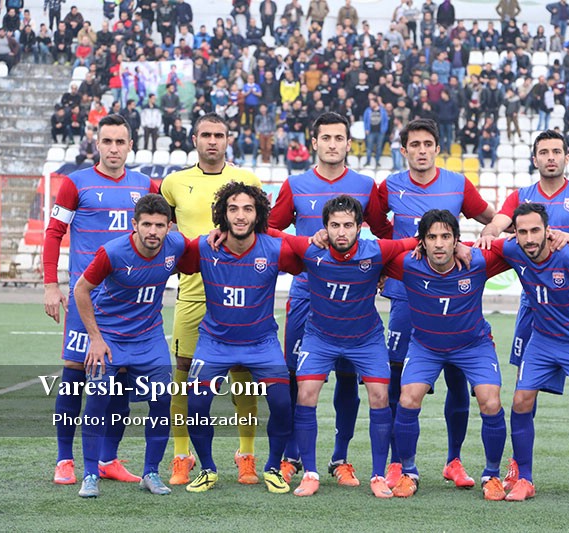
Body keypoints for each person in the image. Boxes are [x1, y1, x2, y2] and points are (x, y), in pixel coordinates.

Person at [475, 128, 569, 494]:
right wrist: (490, 233)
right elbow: (499, 223)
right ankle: (520, 466)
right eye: (544, 152)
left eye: (556, 151)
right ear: (534, 158)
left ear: (567, 157)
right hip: (533, 307)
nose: (550, 157)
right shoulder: (521, 196)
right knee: (525, 390)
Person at [267, 112, 393, 487]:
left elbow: (384, 232)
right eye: (326, 138)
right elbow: (269, 228)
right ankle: (291, 456)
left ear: (348, 144)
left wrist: (383, 270)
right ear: (315, 143)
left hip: (352, 297)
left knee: (348, 376)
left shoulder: (366, 186)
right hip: (307, 293)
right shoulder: (295, 184)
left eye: (339, 138)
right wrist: (305, 242)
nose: (333, 144)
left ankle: (341, 457)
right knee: (295, 376)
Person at [375, 118, 495, 489]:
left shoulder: (458, 184)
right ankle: (399, 463)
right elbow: (376, 227)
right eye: (415, 145)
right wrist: (391, 262)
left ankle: (453, 461)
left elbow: (493, 221)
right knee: (399, 383)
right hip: (406, 295)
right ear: (404, 150)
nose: (422, 150)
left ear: (437, 148)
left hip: (450, 294)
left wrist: (469, 244)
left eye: (428, 144)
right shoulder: (389, 186)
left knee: (457, 379)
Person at [282, 195, 422, 498]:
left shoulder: (376, 251)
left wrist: (456, 244)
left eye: (348, 225)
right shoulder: (310, 250)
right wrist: (223, 230)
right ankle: (310, 473)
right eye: (335, 225)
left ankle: (377, 475)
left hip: (365, 339)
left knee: (380, 396)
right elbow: (268, 233)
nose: (341, 232)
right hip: (320, 337)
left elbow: (413, 241)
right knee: (305, 393)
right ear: (325, 228)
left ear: (360, 227)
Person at [43, 114, 157, 486]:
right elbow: (54, 232)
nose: (113, 148)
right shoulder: (75, 183)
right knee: (75, 375)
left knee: (120, 380)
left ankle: (108, 458)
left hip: (127, 305)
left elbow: (164, 232)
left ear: (130, 145)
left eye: (120, 142)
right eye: (107, 141)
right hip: (86, 299)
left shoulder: (145, 185)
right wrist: (50, 284)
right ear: (97, 143)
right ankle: (64, 459)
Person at [176, 182, 304, 495]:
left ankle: (271, 467)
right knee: (196, 402)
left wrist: (272, 233)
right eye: (233, 209)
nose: (240, 215)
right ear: (223, 214)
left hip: (261, 344)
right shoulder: (205, 247)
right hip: (214, 343)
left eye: (248, 209)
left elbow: (306, 255)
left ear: (258, 214)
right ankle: (207, 469)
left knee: (282, 403)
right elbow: (171, 256)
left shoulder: (273, 248)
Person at [487, 202, 569, 507]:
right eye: (522, 232)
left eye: (535, 230)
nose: (529, 238)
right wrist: (473, 242)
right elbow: (480, 248)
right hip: (543, 340)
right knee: (521, 400)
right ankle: (525, 479)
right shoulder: (513, 250)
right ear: (514, 234)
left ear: (548, 231)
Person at [160, 113, 262, 486]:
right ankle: (181, 456)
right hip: (192, 295)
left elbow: (262, 234)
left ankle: (246, 454)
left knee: (243, 377)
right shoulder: (173, 184)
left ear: (228, 139)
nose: (213, 141)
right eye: (206, 135)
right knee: (183, 377)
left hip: (239, 296)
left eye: (219, 135)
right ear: (195, 139)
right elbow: (162, 231)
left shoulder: (247, 181)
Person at [384, 209, 509, 500]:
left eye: (446, 237)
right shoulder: (408, 264)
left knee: (491, 401)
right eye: (432, 237)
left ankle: (491, 475)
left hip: (473, 346)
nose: (439, 244)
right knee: (407, 398)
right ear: (422, 242)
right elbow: (371, 254)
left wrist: (477, 243)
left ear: (456, 240)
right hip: (426, 346)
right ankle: (409, 472)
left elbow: (520, 247)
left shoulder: (477, 261)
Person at [74, 194, 184, 498]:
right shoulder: (112, 252)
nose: (153, 231)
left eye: (159, 225)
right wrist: (95, 338)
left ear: (169, 227)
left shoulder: (176, 246)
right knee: (98, 400)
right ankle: (90, 474)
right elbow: (81, 290)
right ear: (134, 224)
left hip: (149, 338)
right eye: (146, 224)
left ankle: (151, 473)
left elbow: (205, 247)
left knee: (162, 400)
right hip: (109, 337)